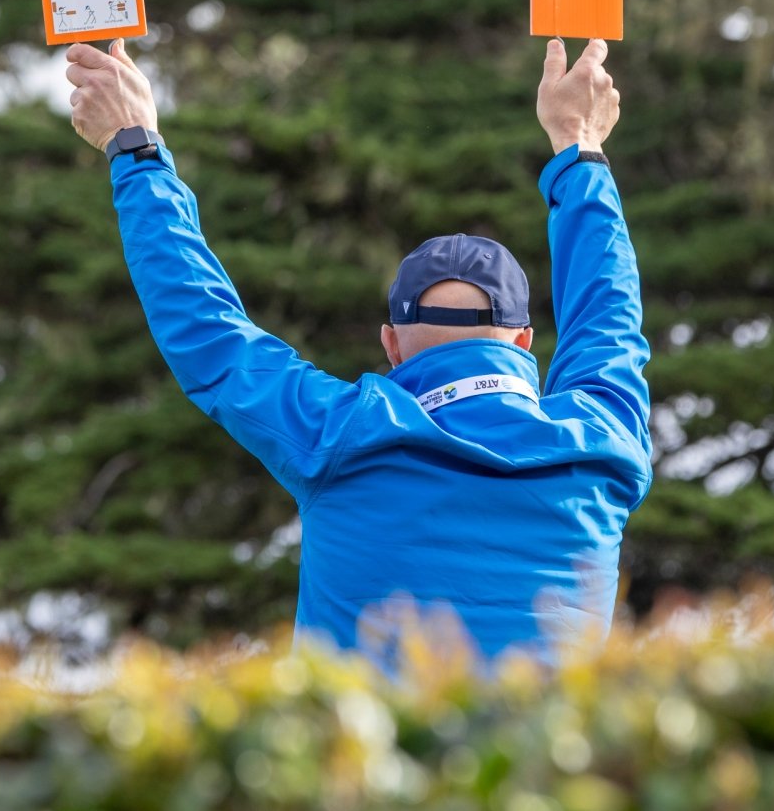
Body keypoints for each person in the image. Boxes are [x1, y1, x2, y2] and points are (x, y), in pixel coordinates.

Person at [64, 36, 651, 667]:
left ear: (392, 345)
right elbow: (607, 314)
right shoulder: (604, 442)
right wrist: (579, 145)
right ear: (525, 342)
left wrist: (136, 146)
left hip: (362, 764)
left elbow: (207, 331)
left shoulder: (343, 434)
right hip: (561, 765)